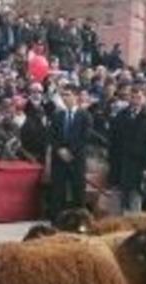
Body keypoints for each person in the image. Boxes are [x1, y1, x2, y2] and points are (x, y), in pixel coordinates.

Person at [108, 87, 146, 213]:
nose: (135, 100)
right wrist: (111, 160)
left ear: (144, 99)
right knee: (118, 196)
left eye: (139, 97)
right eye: (133, 97)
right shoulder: (121, 115)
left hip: (139, 164)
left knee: (135, 196)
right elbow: (113, 140)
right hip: (120, 162)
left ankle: (133, 223)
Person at [49, 85, 92, 219]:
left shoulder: (85, 116)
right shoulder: (58, 115)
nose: (64, 98)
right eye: (63, 95)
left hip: (76, 159)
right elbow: (52, 135)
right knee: (58, 191)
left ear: (75, 96)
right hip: (59, 159)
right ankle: (58, 220)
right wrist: (60, 150)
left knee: (78, 190)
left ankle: (79, 220)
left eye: (67, 94)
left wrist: (70, 151)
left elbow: (85, 137)